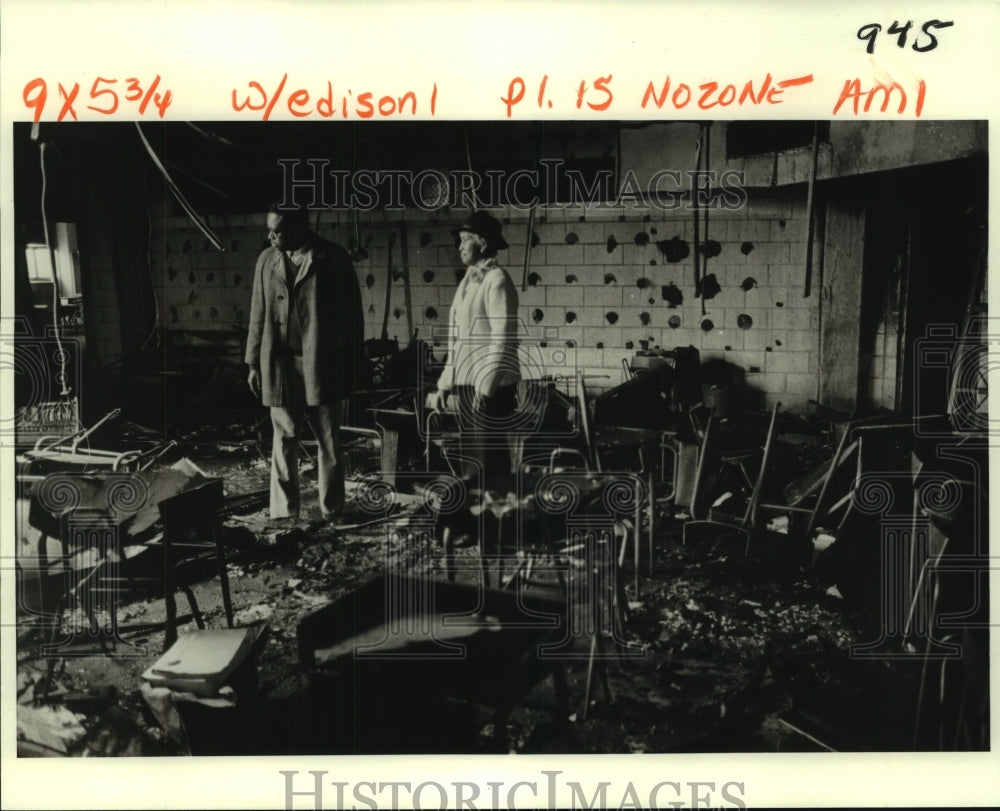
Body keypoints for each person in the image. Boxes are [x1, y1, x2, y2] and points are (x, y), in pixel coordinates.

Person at [245, 202, 364, 523]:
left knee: (329, 440)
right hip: (279, 365)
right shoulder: (266, 260)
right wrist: (253, 363)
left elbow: (352, 318)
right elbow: (257, 314)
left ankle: (332, 510)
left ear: (301, 228)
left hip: (323, 365)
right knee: (283, 439)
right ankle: (285, 513)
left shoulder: (333, 258)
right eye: (269, 230)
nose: (271, 237)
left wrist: (353, 365)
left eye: (278, 231)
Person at [430, 210, 521, 487]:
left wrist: (486, 388)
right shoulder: (469, 280)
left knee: (489, 461)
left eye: (464, 240)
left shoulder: (497, 281)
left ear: (481, 242)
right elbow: (457, 339)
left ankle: (497, 519)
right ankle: (476, 520)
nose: (459, 247)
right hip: (468, 385)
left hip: (489, 388)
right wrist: (444, 385)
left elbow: (502, 339)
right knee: (473, 459)